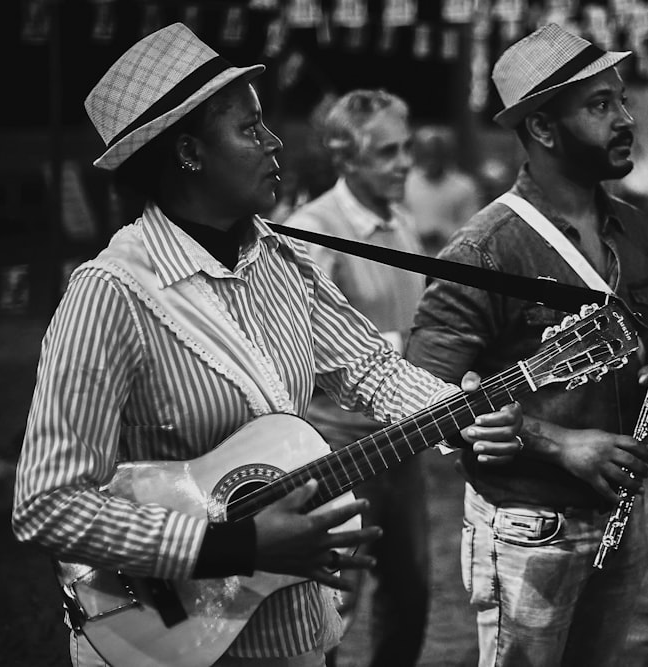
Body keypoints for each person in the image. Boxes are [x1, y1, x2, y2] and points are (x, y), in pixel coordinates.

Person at [10, 23, 522, 667]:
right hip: (171, 637)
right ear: (189, 151)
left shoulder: (282, 261)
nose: (275, 141)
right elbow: (46, 505)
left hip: (289, 623)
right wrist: (230, 547)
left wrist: (462, 417)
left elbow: (370, 369)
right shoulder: (110, 295)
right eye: (250, 128)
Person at [404, 24, 648, 666]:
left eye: (621, 100)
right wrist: (558, 443)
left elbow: (642, 360)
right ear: (543, 128)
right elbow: (420, 400)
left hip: (622, 517)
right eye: (598, 106)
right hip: (528, 528)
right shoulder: (485, 249)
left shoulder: (640, 234)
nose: (625, 119)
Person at [283, 89, 430, 667]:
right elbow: (299, 352)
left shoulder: (401, 220)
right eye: (387, 152)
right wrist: (410, 352)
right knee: (334, 605)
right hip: (338, 450)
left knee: (412, 592)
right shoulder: (310, 230)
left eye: (407, 148)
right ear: (346, 158)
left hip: (404, 440)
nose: (404, 163)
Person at [404, 125, 483, 256]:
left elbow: (473, 231)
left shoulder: (464, 186)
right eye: (426, 154)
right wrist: (418, 232)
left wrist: (441, 233)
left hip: (451, 258)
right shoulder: (406, 183)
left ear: (446, 154)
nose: (431, 160)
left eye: (436, 154)